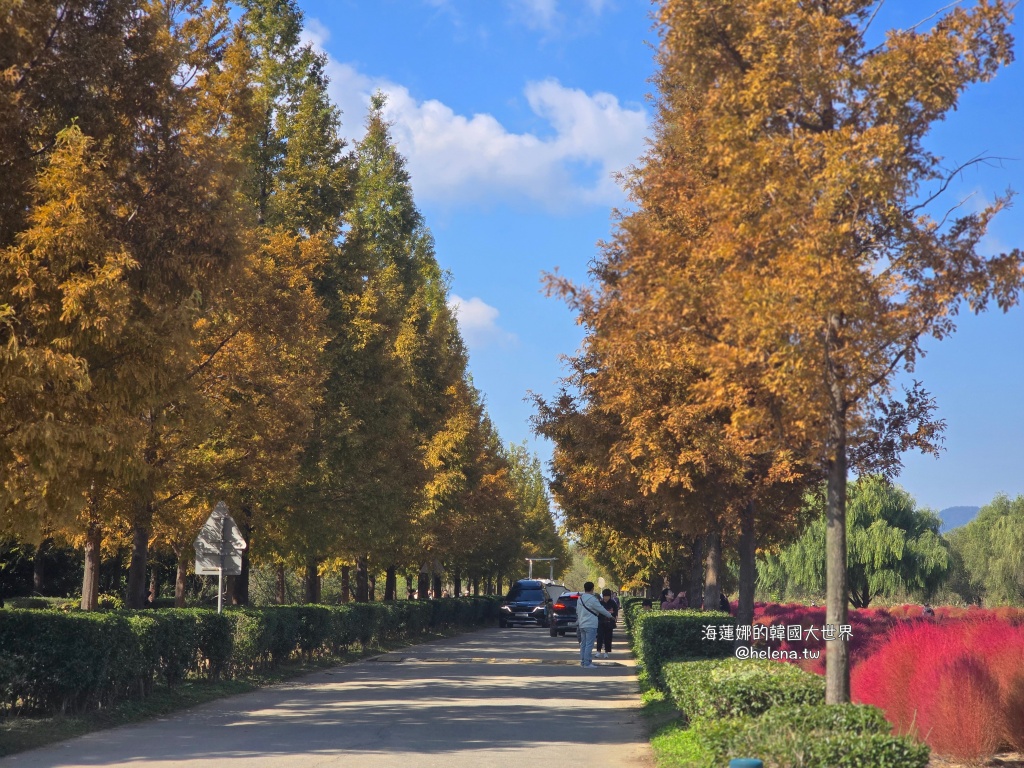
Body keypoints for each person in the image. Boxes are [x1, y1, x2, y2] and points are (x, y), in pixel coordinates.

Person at [576, 581, 614, 668]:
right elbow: (601, 609)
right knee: (589, 644)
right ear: (592, 589)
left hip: (582, 624)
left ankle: (583, 662)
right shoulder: (593, 599)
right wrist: (610, 616)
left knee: (583, 644)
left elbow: (577, 611)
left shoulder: (580, 599)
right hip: (591, 624)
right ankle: (587, 663)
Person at [596, 588, 619, 658]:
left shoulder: (613, 603)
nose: (606, 598)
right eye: (604, 596)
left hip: (609, 623)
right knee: (599, 637)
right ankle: (598, 651)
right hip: (601, 623)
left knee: (608, 638)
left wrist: (615, 619)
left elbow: (616, 612)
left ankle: (606, 652)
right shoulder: (600, 603)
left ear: (610, 596)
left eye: (607, 596)